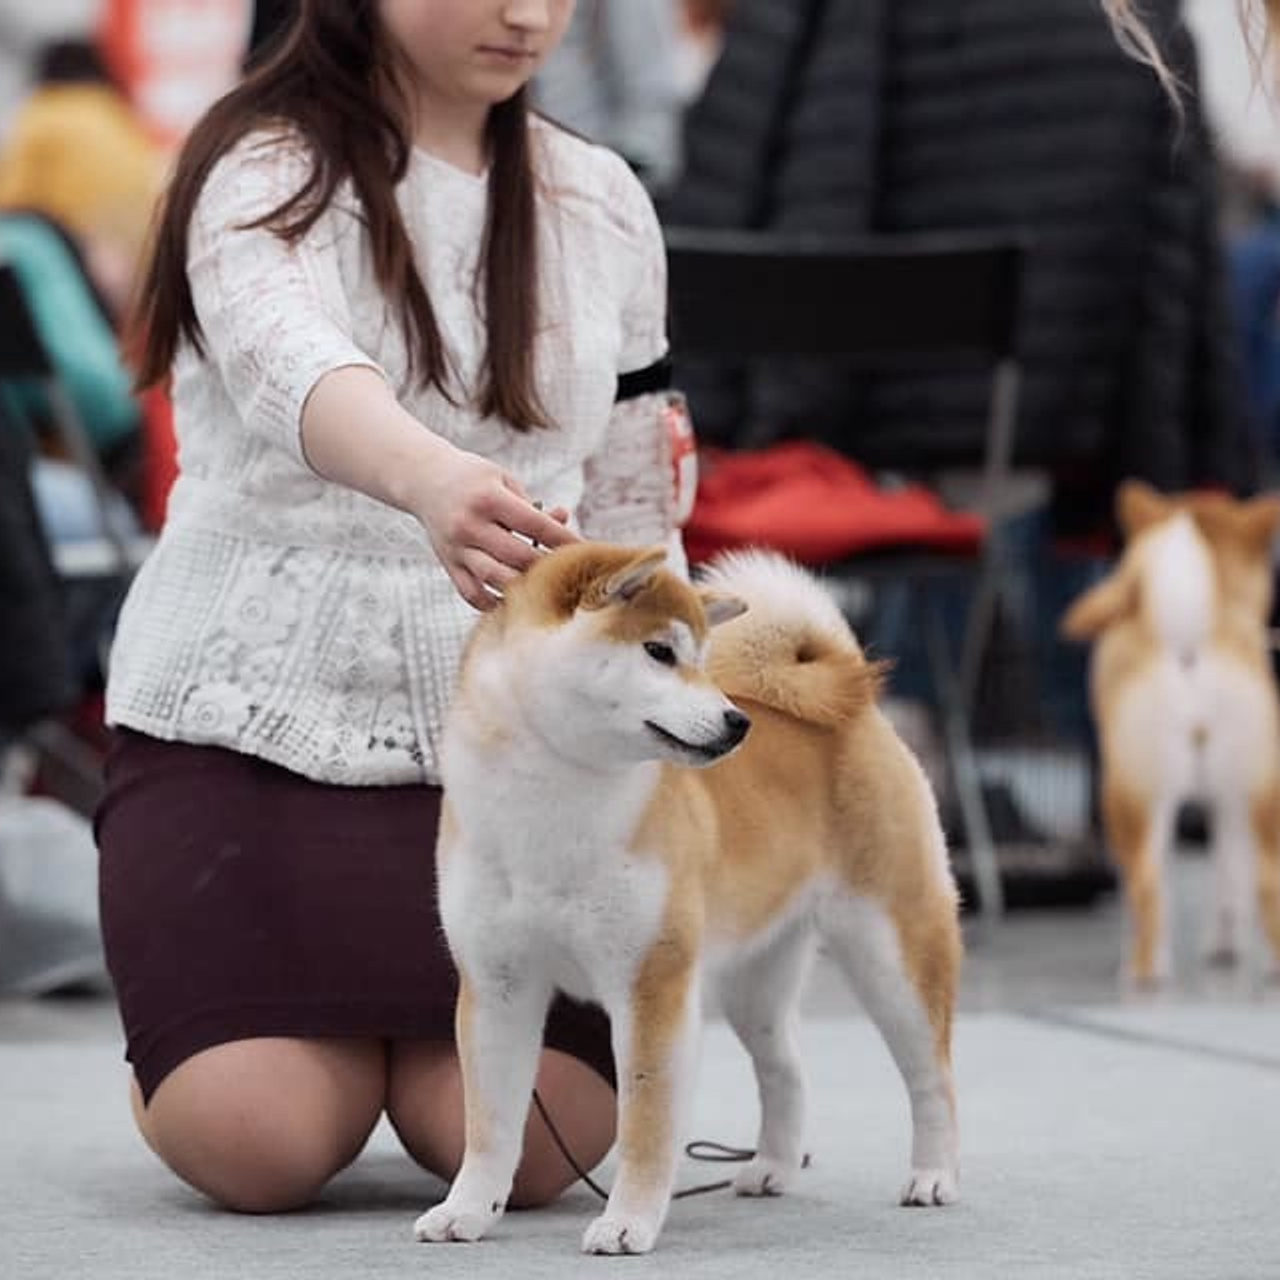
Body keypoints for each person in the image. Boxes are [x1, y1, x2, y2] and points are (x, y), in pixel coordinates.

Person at [96, 0, 683, 1215]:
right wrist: (428, 478)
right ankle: (270, 1021)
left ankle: (406, 1040)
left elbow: (635, 497)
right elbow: (283, 356)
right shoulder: (253, 162)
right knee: (256, 1140)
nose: (528, 13)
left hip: (522, 762)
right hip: (241, 726)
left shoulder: (605, 199)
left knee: (532, 1150)